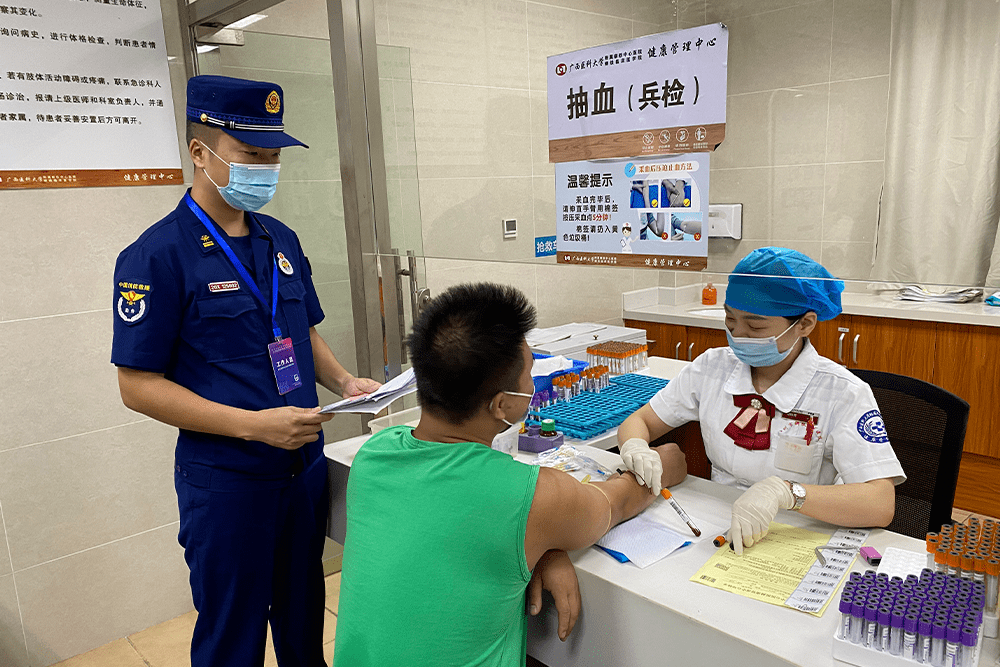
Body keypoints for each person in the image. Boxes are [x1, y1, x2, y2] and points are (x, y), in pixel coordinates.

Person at [111, 74, 380, 667]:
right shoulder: (155, 256)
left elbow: (300, 329)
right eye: (251, 155)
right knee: (232, 632)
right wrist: (250, 426)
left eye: (274, 157)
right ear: (200, 152)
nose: (267, 169)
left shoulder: (278, 238)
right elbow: (136, 386)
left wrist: (344, 382)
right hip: (228, 477)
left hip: (303, 467)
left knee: (304, 616)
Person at [333, 283, 686, 667]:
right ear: (501, 404)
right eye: (531, 372)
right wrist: (664, 459)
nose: (533, 386)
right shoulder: (533, 497)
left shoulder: (374, 455)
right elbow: (616, 501)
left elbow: (452, 538)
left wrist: (543, 548)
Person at [617, 247, 906, 554]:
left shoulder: (842, 392)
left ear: (805, 324)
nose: (738, 334)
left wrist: (786, 493)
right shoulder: (712, 368)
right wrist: (635, 446)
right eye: (730, 320)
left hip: (800, 533)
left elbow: (880, 503)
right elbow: (640, 422)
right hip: (712, 522)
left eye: (755, 326)